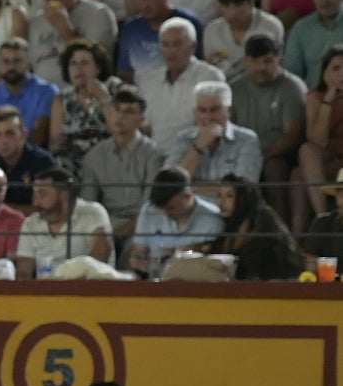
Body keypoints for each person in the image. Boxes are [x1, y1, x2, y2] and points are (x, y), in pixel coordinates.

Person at [231, 35, 306, 213]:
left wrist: (262, 156)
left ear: (279, 61)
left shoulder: (292, 88)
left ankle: (279, 227)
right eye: (254, 61)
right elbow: (229, 130)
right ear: (245, 62)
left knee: (274, 167)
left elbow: (292, 135)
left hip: (278, 154)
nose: (260, 68)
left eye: (267, 61)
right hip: (242, 152)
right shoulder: (234, 88)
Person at [80, 85, 164, 243]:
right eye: (116, 109)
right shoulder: (94, 156)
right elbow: (89, 206)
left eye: (129, 112)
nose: (120, 116)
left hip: (143, 223)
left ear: (141, 119)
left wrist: (122, 232)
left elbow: (151, 205)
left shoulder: (154, 154)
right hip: (105, 223)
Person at [135, 17, 225, 144]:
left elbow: (210, 126)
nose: (171, 51)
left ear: (193, 46)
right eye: (165, 45)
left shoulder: (209, 77)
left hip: (195, 154)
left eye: (177, 44)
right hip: (155, 156)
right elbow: (144, 128)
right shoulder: (148, 80)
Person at [27, 0, 115, 87]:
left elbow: (100, 64)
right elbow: (31, 64)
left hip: (83, 92)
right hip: (42, 95)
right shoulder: (36, 21)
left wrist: (64, 26)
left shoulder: (99, 14)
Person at [14, 165, 112, 274]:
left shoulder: (91, 212)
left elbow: (101, 254)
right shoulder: (31, 224)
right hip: (44, 289)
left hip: (87, 287)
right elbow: (23, 272)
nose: (35, 203)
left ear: (64, 195)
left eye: (42, 194)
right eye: (35, 195)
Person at [129, 165, 223, 277]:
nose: (165, 214)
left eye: (171, 208)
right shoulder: (149, 210)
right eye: (161, 208)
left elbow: (214, 270)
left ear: (188, 197)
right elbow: (138, 252)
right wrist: (139, 261)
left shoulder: (212, 221)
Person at [166, 80, 262, 189]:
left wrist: (189, 188)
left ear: (229, 111)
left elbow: (241, 191)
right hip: (189, 206)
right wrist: (198, 147)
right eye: (203, 110)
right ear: (195, 112)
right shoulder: (182, 139)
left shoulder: (247, 140)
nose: (208, 116)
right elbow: (169, 187)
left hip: (227, 206)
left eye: (215, 110)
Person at [211, 172, 304, 280]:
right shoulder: (227, 226)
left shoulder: (264, 221)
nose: (221, 202)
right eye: (219, 195)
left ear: (243, 198)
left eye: (229, 196)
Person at [47, 38, 117, 181]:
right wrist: (58, 143)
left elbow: (119, 129)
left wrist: (103, 97)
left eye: (84, 63)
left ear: (98, 67)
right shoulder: (62, 98)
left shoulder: (114, 89)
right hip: (74, 163)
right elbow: (53, 145)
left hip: (108, 160)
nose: (78, 69)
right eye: (73, 64)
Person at [117, 0, 203, 83]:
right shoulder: (131, 28)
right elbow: (123, 72)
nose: (145, 4)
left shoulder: (189, 23)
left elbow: (198, 67)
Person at [294, 45, 343, 235]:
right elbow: (318, 141)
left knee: (298, 176)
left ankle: (311, 232)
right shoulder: (316, 97)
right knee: (306, 150)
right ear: (325, 72)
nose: (341, 74)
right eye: (336, 69)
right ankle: (322, 217)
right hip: (327, 159)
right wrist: (328, 100)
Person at [0, 38, 57, 144]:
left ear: (28, 63)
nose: (11, 67)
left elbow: (38, 139)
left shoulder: (46, 92)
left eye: (17, 61)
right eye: (5, 61)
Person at [203, 0, 280, 85]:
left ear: (251, 2)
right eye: (226, 5)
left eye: (238, 5)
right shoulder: (211, 31)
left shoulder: (270, 27)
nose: (232, 12)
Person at [0, 103, 54, 211]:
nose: (3, 141)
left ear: (24, 135)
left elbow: (47, 207)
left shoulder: (42, 162)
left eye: (10, 134)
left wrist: (3, 211)